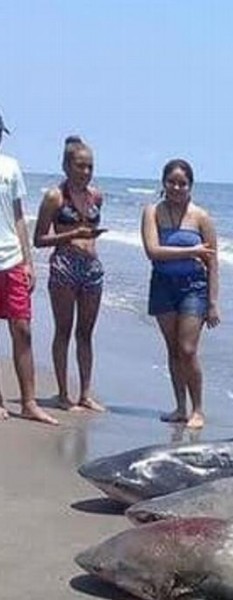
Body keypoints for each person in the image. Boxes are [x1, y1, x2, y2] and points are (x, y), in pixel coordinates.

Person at [141, 159, 219, 429]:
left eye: (182, 183)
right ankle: (180, 407)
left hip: (193, 287)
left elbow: (213, 262)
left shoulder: (201, 217)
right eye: (171, 182)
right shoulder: (152, 212)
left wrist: (212, 303)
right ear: (164, 183)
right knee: (173, 349)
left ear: (190, 186)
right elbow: (152, 250)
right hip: (162, 284)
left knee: (187, 349)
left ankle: (198, 409)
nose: (176, 187)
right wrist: (192, 251)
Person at [34, 136, 106, 412]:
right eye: (80, 166)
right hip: (64, 265)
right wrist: (73, 234)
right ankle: (63, 394)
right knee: (63, 330)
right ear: (66, 166)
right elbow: (38, 239)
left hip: (91, 268)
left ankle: (85, 393)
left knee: (86, 333)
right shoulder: (55, 196)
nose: (86, 172)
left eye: (90, 167)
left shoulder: (96, 196)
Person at [0, 112, 58, 424]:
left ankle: (29, 402)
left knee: (22, 330)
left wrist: (27, 260)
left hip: (11, 259)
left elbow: (20, 216)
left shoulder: (10, 167)